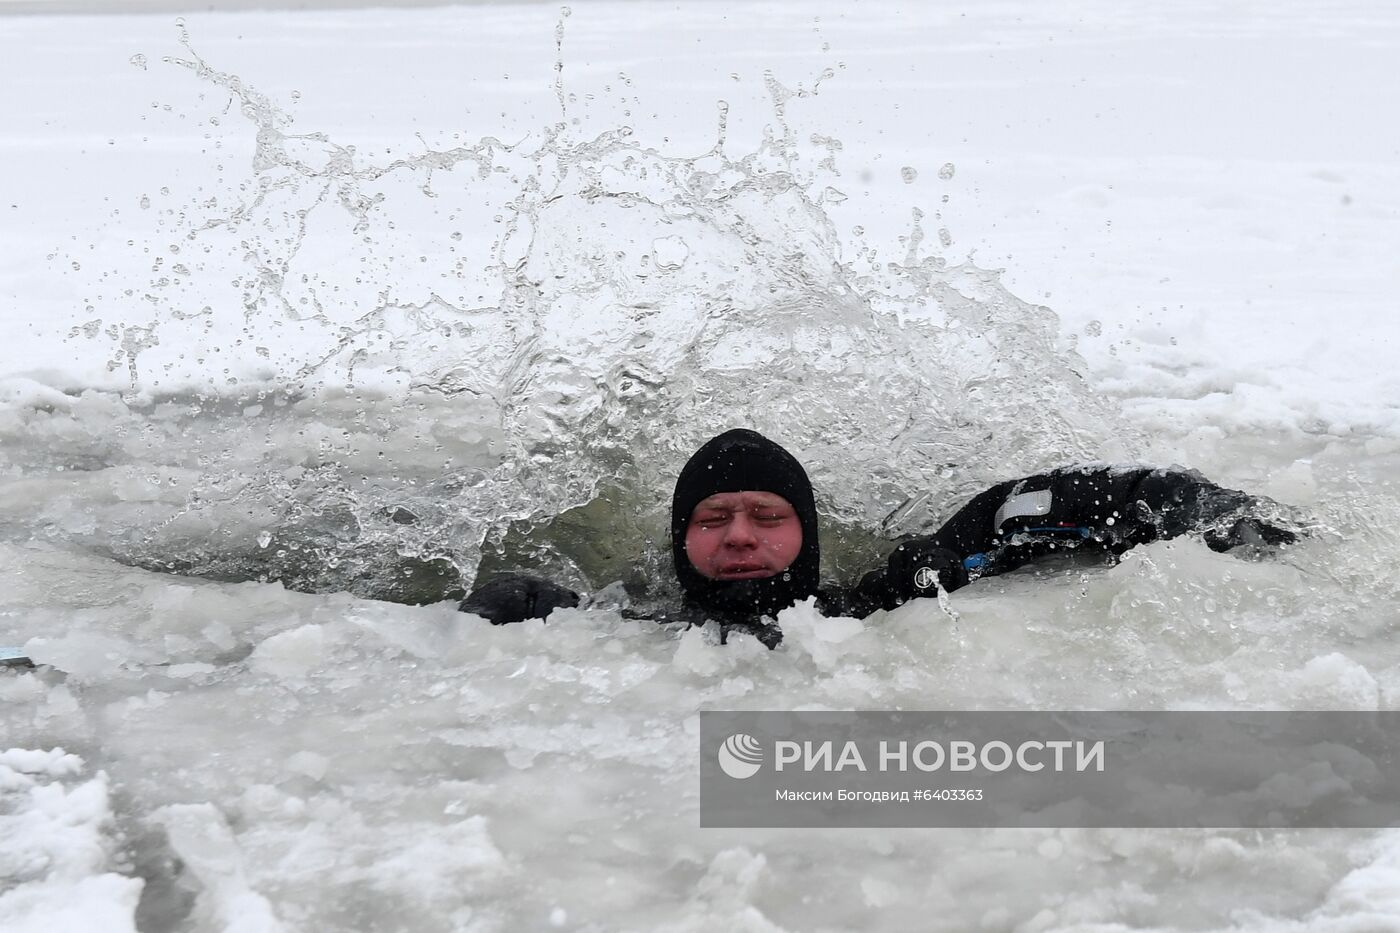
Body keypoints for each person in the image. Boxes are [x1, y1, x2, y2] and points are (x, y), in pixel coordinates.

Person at [460, 428, 1299, 647]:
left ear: (808, 533)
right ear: (682, 541)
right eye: (713, 521)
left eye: (767, 517)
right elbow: (523, 600)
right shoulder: (626, 622)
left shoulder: (878, 599)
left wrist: (1199, 508)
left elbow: (1015, 509)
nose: (740, 536)